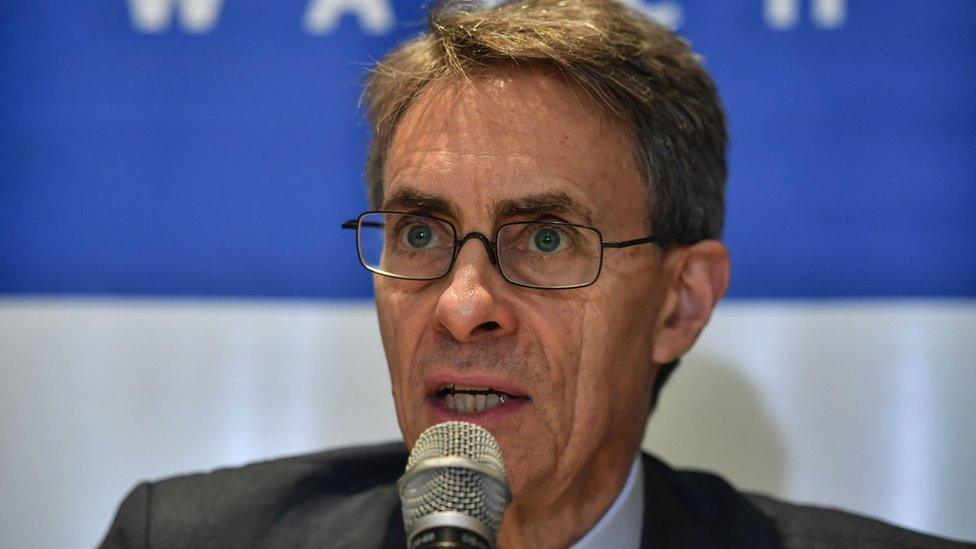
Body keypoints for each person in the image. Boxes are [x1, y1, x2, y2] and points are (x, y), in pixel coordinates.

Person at [100, 1, 973, 547]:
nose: (463, 303)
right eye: (419, 230)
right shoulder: (180, 538)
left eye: (546, 239)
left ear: (682, 302)